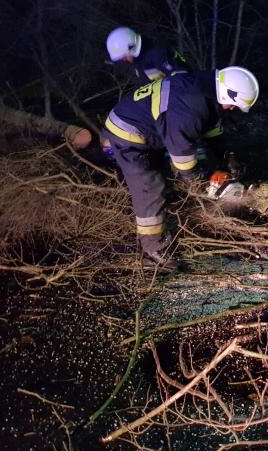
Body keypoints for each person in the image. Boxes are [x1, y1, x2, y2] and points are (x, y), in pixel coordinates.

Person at [103, 67, 259, 269]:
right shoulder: (188, 110)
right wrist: (204, 184)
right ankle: (152, 252)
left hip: (151, 127)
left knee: (165, 181)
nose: (231, 109)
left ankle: (168, 221)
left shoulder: (205, 87)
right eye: (233, 104)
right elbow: (183, 161)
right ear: (226, 92)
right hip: (127, 133)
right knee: (150, 187)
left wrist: (227, 157)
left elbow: (211, 128)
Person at [106, 27, 189, 85]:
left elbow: (182, 79)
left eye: (124, 56)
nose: (124, 60)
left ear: (132, 48)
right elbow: (149, 84)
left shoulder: (157, 54)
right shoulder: (140, 62)